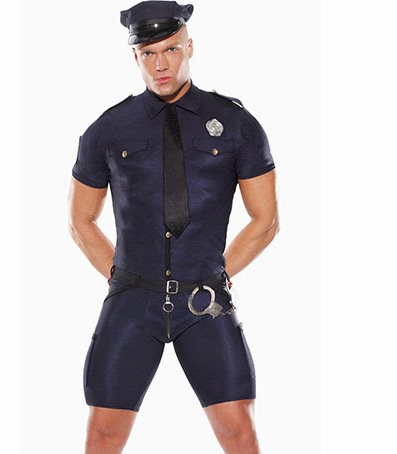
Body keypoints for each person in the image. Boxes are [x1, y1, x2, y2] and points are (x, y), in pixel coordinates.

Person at [68, 1, 279, 452]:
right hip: (133, 302)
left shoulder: (237, 124)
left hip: (204, 302)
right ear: (135, 56)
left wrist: (217, 274)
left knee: (239, 432)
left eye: (171, 49)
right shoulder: (109, 128)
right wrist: (121, 277)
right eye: (148, 53)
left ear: (190, 47)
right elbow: (80, 220)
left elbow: (265, 220)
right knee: (103, 433)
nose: (160, 64)